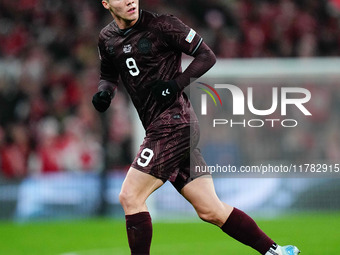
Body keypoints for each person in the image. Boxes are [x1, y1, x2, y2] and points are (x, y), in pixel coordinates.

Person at [92, 0, 301, 254]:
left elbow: (207, 55)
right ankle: (277, 251)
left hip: (173, 124)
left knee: (130, 196)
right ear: (106, 3)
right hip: (167, 129)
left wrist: (175, 84)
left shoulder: (162, 25)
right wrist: (105, 93)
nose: (129, 1)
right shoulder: (107, 38)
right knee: (211, 209)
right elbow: (108, 75)